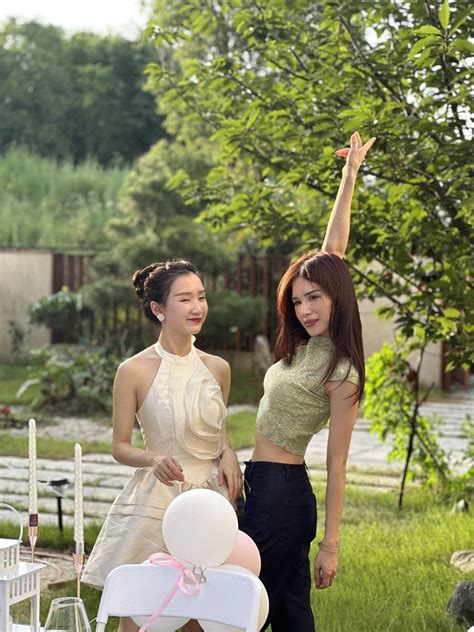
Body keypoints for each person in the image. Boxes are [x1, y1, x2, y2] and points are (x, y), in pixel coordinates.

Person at [240, 132, 376, 632]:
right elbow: (332, 248)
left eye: (314, 297)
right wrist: (349, 175)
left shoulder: (341, 372)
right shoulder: (308, 344)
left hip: (282, 496)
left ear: (337, 295)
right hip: (261, 484)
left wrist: (331, 546)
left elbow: (337, 464)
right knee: (284, 611)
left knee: (247, 606)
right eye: (297, 301)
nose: (304, 309)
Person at [82, 259, 242, 632]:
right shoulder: (133, 370)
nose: (197, 307)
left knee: (202, 615)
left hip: (211, 501)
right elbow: (120, 446)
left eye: (201, 297)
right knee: (141, 615)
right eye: (185, 299)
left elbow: (215, 432)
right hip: (159, 499)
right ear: (158, 308)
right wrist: (153, 457)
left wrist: (228, 452)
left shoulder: (218, 368)